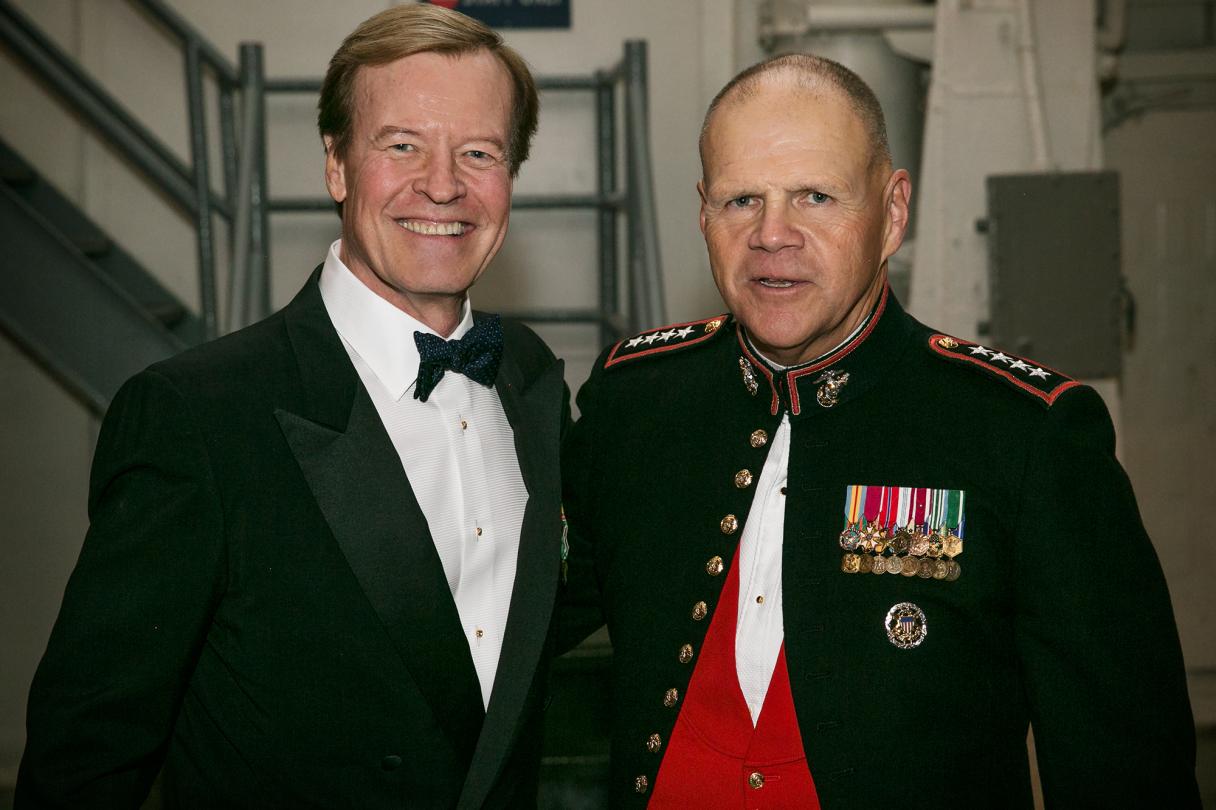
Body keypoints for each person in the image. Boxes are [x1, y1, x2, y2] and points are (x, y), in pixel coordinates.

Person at [560, 53, 1200, 808]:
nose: (772, 235)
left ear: (893, 212)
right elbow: (501, 629)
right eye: (740, 200)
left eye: (816, 196)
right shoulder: (635, 404)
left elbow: (1125, 768)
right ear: (702, 211)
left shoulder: (1021, 435)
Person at [17, 5, 567, 808]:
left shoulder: (530, 379)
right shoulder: (195, 417)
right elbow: (86, 756)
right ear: (338, 166)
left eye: (477, 152)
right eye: (401, 145)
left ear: (510, 176)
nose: (443, 185)